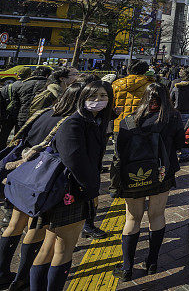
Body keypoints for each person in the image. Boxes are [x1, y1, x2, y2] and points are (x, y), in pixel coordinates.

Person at [29, 81, 114, 291]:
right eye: (93, 96)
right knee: (63, 249)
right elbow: (75, 160)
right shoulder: (74, 123)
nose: (98, 101)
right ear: (82, 97)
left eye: (103, 96)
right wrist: (92, 191)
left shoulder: (94, 121)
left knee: (51, 246)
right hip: (69, 191)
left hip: (68, 189)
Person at [0, 83, 83, 290]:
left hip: (21, 174)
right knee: (36, 229)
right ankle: (22, 278)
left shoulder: (44, 112)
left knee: (15, 225)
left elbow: (21, 137)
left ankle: (3, 272)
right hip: (41, 179)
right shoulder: (71, 122)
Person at [111, 84, 183, 281]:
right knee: (157, 215)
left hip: (134, 175)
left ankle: (127, 268)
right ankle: (152, 262)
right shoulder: (173, 117)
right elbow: (180, 144)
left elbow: (119, 150)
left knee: (132, 219)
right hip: (162, 173)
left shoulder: (128, 120)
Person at [111, 60, 152, 131]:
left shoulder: (116, 84)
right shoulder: (150, 85)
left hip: (119, 123)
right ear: (145, 71)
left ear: (128, 71)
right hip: (141, 123)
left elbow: (111, 105)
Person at [10, 66, 52, 132]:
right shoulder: (50, 86)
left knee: (17, 139)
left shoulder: (22, 84)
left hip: (22, 117)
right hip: (39, 118)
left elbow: (15, 104)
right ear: (47, 75)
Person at [170, 68, 189, 162]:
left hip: (177, 112)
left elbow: (171, 99)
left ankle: (174, 152)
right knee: (187, 133)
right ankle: (184, 154)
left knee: (175, 132)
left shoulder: (176, 87)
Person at [0, 67, 32, 145]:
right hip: (21, 116)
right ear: (29, 75)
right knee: (18, 137)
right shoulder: (29, 87)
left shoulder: (8, 87)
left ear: (18, 75)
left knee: (3, 135)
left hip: (7, 115)